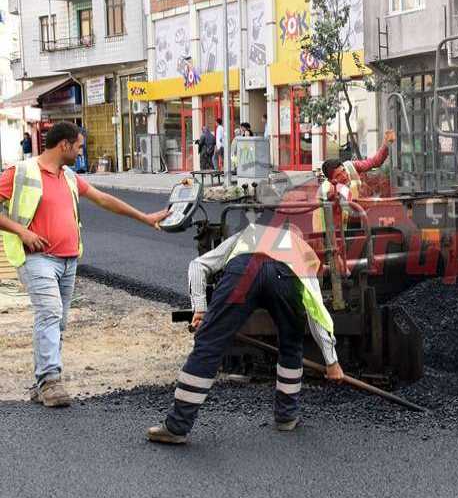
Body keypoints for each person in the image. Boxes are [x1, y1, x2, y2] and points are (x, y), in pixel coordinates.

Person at [0, 122, 170, 407]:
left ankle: (41, 382)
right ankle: (50, 381)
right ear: (64, 145)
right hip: (36, 258)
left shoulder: (69, 176)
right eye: (78, 147)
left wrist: (144, 217)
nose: (81, 152)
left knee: (57, 320)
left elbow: (103, 199)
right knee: (50, 313)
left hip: (68, 260)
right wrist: (22, 231)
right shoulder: (20, 172)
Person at [146, 221, 344, 444]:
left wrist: (200, 309)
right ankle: (286, 417)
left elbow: (197, 265)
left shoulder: (250, 233)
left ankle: (176, 427)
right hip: (285, 278)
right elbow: (316, 310)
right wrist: (332, 362)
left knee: (209, 344)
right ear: (299, 236)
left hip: (243, 272)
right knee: (291, 342)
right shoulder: (301, 249)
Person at [314, 129, 397, 234]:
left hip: (349, 220)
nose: (344, 176)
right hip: (327, 229)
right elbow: (352, 211)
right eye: (338, 175)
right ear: (331, 180)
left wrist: (386, 144)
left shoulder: (351, 166)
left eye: (343, 171)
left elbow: (375, 162)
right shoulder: (329, 189)